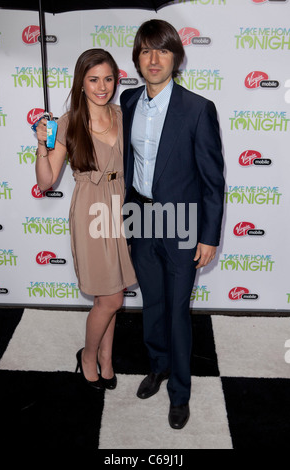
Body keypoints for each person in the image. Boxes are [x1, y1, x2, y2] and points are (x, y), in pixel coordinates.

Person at [120, 20, 225, 429]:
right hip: (141, 217)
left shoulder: (198, 109)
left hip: (182, 224)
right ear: (137, 59)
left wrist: (208, 236)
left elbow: (213, 180)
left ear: (176, 57)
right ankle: (158, 366)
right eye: (146, 51)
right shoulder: (127, 102)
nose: (153, 59)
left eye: (162, 50)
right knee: (153, 304)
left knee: (178, 310)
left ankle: (180, 392)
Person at [35, 48, 136, 391]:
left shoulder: (125, 115)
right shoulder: (68, 122)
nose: (101, 86)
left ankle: (107, 359)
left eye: (108, 78)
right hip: (90, 207)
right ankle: (89, 356)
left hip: (123, 207)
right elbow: (46, 181)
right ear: (81, 83)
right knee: (111, 299)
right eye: (93, 79)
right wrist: (41, 146)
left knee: (109, 292)